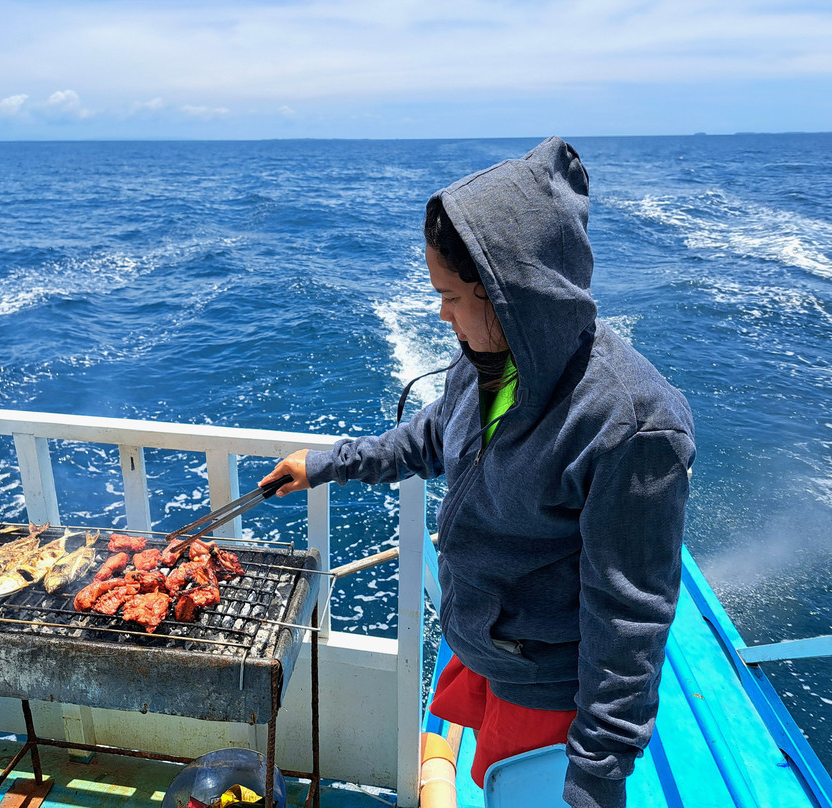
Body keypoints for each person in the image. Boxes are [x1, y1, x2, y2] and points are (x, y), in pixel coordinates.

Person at [260, 136, 695, 808]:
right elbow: (431, 437)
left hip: (543, 685)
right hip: (480, 641)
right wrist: (324, 464)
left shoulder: (631, 425)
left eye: (452, 297)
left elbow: (630, 618)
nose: (441, 314)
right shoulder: (490, 356)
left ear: (513, 295)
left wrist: (596, 777)